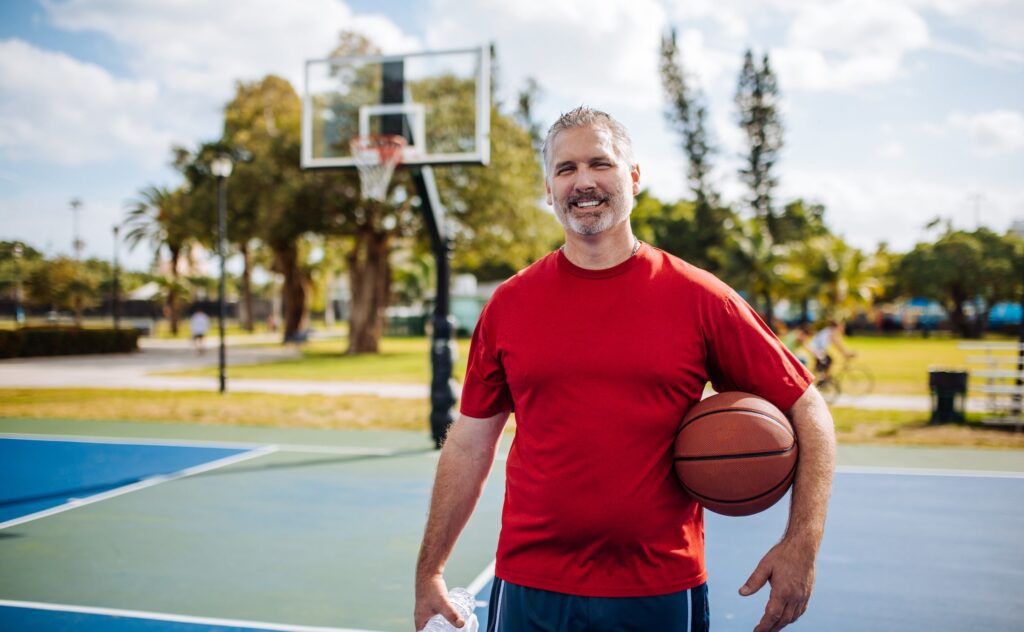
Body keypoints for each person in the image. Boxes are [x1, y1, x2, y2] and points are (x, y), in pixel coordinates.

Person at [414, 106, 836, 632]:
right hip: (530, 584)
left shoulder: (699, 298)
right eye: (566, 169)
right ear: (549, 189)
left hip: (658, 588)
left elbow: (808, 409)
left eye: (600, 163)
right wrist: (429, 570)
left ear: (633, 177)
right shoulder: (510, 304)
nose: (583, 182)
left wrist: (802, 544)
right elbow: (470, 442)